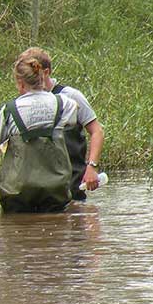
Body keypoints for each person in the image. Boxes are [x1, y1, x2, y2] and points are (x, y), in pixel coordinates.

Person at [0, 48, 101, 212]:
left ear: (21, 82)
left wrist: (92, 166)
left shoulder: (13, 108)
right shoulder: (65, 104)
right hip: (58, 187)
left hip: (56, 184)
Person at [31, 50, 107, 200]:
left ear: (46, 72)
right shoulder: (27, 100)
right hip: (42, 183)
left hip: (73, 181)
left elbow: (97, 131)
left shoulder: (71, 95)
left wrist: (92, 167)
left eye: (33, 74)